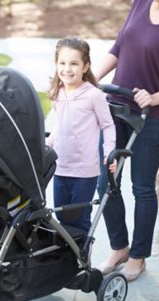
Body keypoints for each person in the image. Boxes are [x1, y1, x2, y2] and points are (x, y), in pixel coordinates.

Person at [95, 0, 159, 281]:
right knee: (105, 182)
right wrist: (91, 79)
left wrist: (155, 97)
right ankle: (119, 248)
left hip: (150, 117)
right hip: (114, 107)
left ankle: (138, 256)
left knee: (142, 189)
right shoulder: (141, 2)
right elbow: (119, 47)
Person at [46, 36, 117, 233]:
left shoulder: (94, 95)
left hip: (84, 172)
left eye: (74, 64)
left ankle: (81, 259)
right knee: (61, 215)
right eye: (62, 63)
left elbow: (108, 126)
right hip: (60, 168)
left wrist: (109, 152)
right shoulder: (58, 93)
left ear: (85, 67)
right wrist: (47, 146)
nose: (67, 69)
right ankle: (65, 260)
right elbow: (60, 126)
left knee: (78, 218)